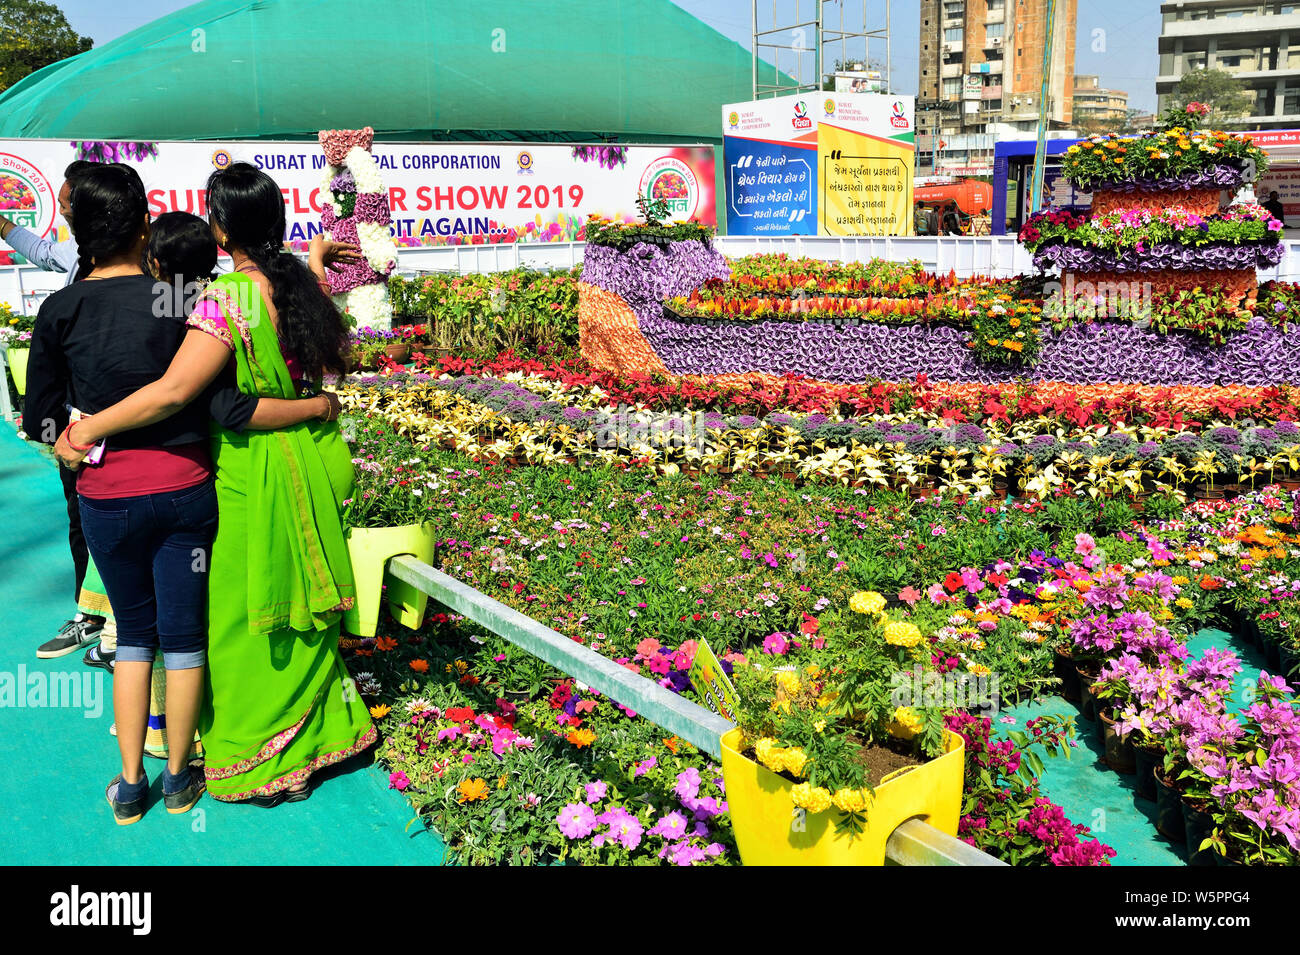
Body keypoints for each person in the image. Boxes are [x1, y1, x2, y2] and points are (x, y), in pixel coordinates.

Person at [57, 162, 374, 808]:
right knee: (298, 602)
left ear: (219, 228)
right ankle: (317, 737)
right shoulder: (300, 288)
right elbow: (315, 343)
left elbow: (180, 392)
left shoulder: (225, 300)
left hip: (251, 474)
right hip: (311, 464)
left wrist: (91, 429)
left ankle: (256, 753)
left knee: (239, 612)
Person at [4, 159, 111, 662]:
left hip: (126, 426)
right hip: (78, 426)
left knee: (126, 520)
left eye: (68, 204)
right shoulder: (74, 258)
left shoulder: (149, 276)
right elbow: (44, 251)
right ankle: (90, 614)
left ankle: (128, 628)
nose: (62, 211)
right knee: (80, 515)